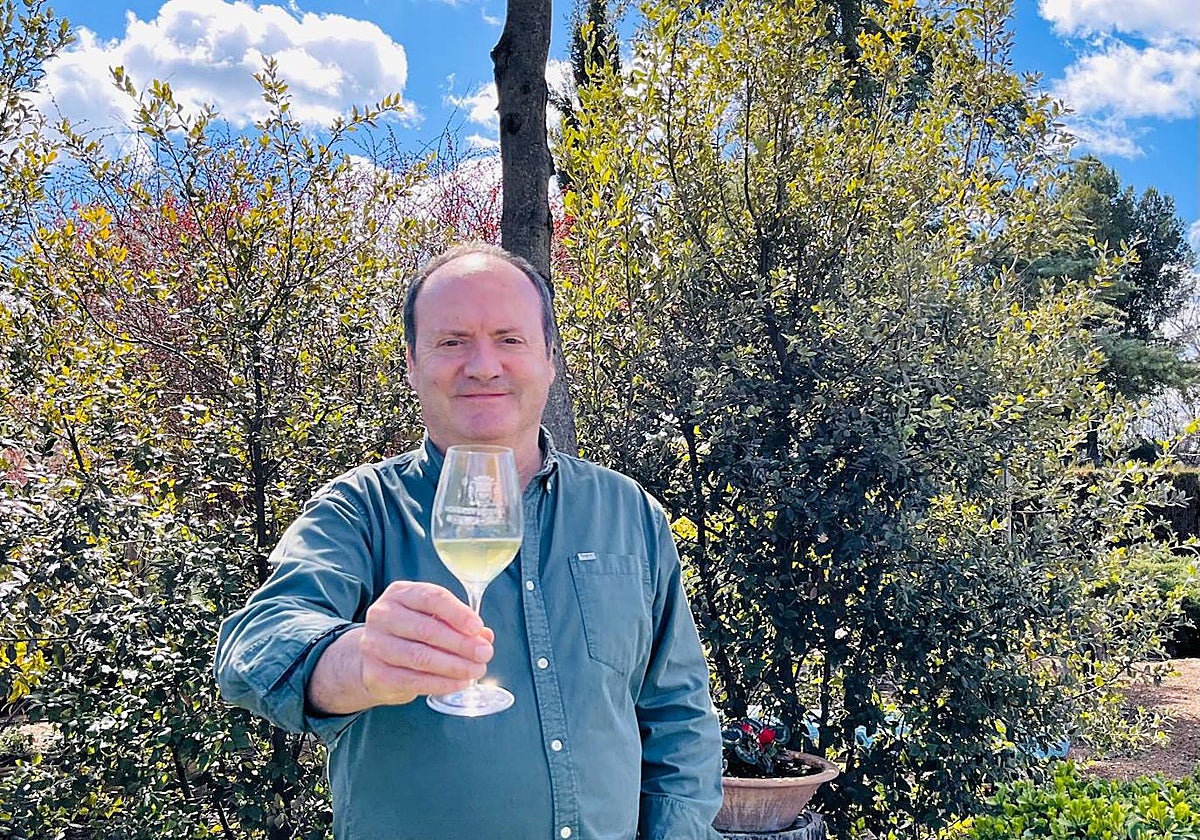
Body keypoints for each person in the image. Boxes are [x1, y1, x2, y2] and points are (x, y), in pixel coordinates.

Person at [214, 243, 724, 840]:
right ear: (411, 363)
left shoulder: (629, 513)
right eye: (452, 341)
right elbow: (256, 645)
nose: (483, 365)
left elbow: (678, 714)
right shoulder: (361, 509)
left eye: (509, 339)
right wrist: (357, 662)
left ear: (549, 359)